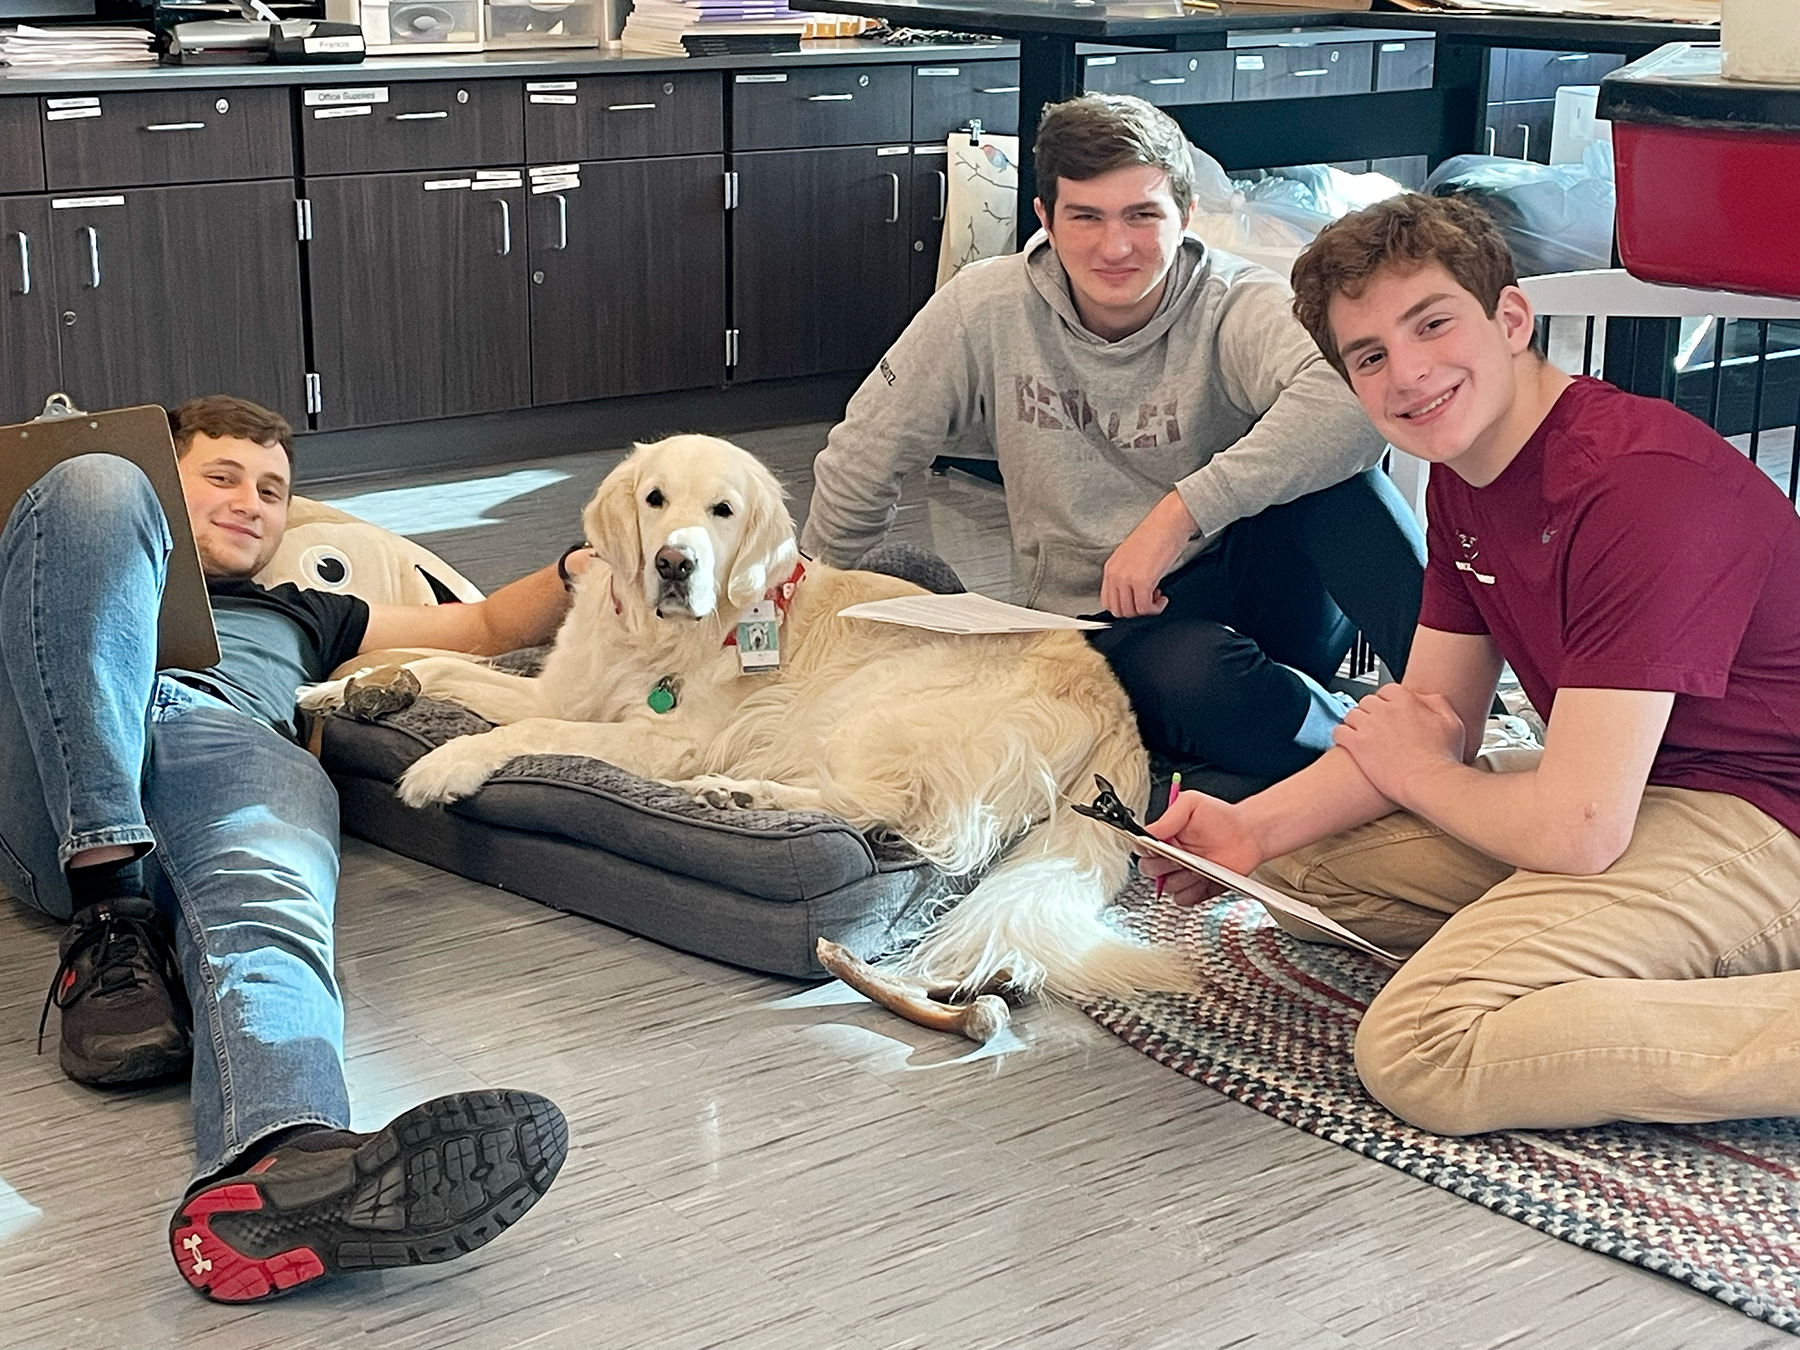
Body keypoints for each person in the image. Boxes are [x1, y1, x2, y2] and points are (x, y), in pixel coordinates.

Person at [1146, 193, 1800, 1135]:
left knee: (1425, 1048)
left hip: (1766, 812)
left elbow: (1574, 832)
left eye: (1432, 324)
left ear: (1511, 319)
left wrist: (1422, 773)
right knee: (1292, 876)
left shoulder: (1641, 483)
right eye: (1369, 356)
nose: (1407, 373)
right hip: (1647, 784)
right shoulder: (1469, 472)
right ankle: (1617, 951)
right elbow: (1430, 717)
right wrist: (1248, 832)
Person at [9, 395, 581, 1302]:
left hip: (222, 741)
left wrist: (583, 564)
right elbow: (94, 512)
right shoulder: (47, 563)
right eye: (223, 477)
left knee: (266, 904)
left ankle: (282, 1159)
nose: (252, 503)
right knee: (89, 484)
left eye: (273, 491)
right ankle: (108, 900)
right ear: (171, 483)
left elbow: (484, 627)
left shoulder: (301, 611)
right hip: (52, 776)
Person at [801, 93, 1426, 800]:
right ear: (1044, 218)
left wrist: (1179, 514)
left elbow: (1357, 401)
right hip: (1114, 621)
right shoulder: (986, 306)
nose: (1116, 246)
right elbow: (866, 450)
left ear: (1186, 218)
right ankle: (1377, 746)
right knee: (1193, 683)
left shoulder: (1234, 300)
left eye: (1142, 215)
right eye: (1086, 217)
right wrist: (808, 613)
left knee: (1342, 487)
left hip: (1258, 580)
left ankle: (1458, 711)